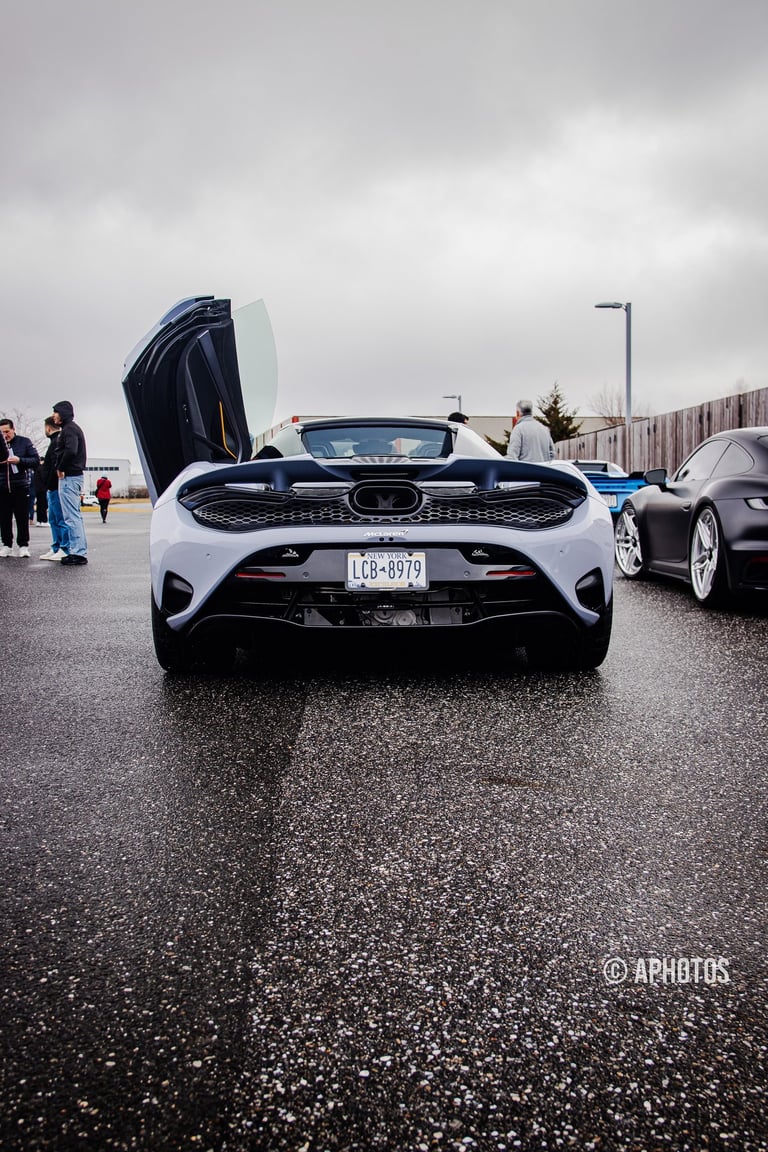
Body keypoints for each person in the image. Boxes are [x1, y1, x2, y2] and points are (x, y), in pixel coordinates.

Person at [51, 401, 88, 566]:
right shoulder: (70, 429)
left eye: (55, 412)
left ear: (63, 413)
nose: (53, 416)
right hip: (73, 477)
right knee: (74, 515)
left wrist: (61, 467)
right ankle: (78, 551)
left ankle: (78, 553)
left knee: (71, 516)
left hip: (70, 478)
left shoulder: (69, 429)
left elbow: (71, 450)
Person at [0, 418, 40, 558]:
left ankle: (23, 545)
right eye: (2, 433)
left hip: (20, 486)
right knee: (4, 518)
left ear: (13, 429)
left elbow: (35, 460)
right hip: (2, 486)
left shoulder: (24, 442)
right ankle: (7, 545)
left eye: (7, 432)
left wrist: (20, 460)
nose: (5, 435)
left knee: (22, 517)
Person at [39, 416, 69, 561]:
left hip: (55, 486)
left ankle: (64, 547)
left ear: (48, 427)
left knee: (60, 518)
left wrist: (49, 482)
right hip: (52, 487)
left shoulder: (56, 441)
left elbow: (54, 465)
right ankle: (56, 546)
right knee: (53, 519)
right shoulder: (55, 441)